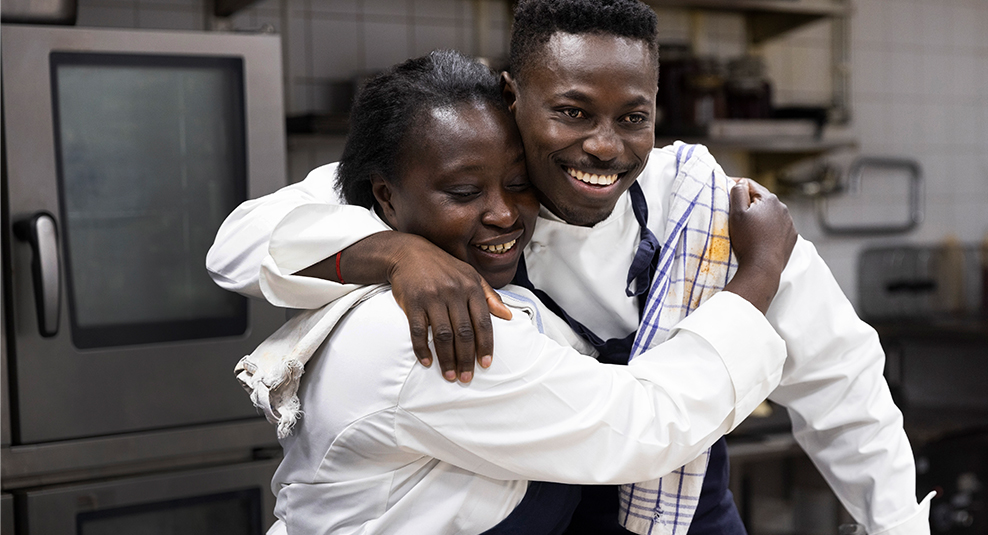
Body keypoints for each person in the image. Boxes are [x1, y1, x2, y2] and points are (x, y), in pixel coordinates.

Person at [208, 1, 933, 533]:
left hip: (680, 511)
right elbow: (239, 242)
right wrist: (393, 250)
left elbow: (842, 381)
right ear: (511, 96)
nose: (605, 147)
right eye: (572, 112)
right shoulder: (443, 176)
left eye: (633, 117)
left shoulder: (708, 211)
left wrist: (896, 526)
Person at [244, 49, 796, 535]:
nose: (505, 213)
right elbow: (645, 428)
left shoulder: (485, 282)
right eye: (464, 191)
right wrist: (762, 268)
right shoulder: (433, 330)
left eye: (517, 184)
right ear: (385, 199)